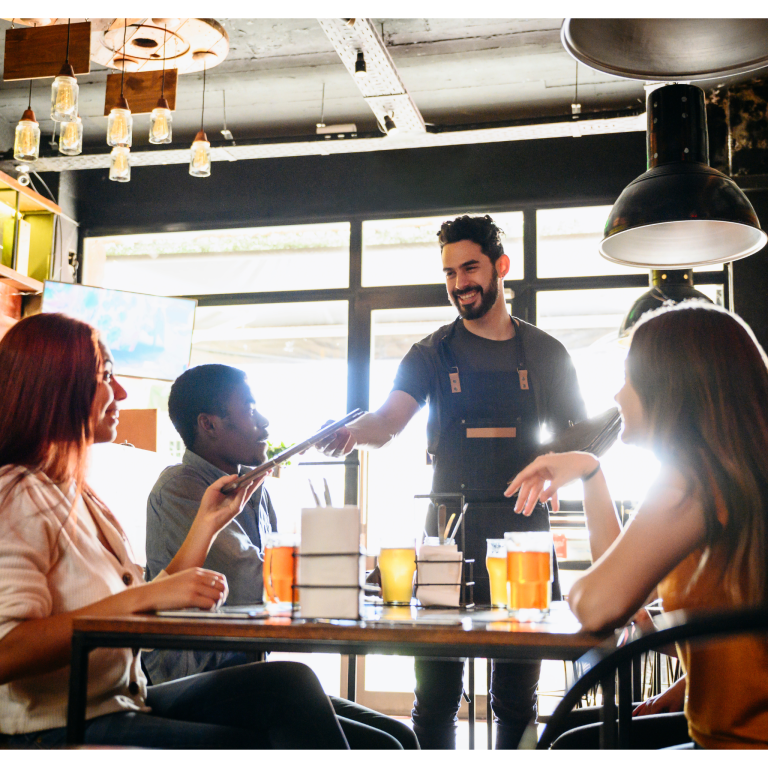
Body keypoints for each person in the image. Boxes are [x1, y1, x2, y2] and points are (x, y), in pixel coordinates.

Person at [0, 312, 348, 749]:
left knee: (292, 686)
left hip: (123, 703)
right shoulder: (15, 494)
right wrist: (146, 595)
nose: (122, 391)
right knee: (261, 735)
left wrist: (207, 524)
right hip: (53, 728)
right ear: (56, 386)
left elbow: (151, 599)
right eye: (106, 375)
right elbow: (5, 649)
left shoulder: (78, 495)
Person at [319, 214, 586, 749]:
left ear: (500, 267)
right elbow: (388, 421)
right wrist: (351, 433)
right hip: (445, 535)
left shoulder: (547, 353)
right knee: (436, 694)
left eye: (470, 267)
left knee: (517, 698)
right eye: (449, 272)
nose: (459, 282)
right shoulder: (430, 354)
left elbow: (581, 441)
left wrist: (567, 467)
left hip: (524, 538)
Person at [507, 301, 768, 749]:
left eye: (628, 379)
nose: (617, 395)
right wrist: (591, 473)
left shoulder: (694, 482)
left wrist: (584, 591)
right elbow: (631, 593)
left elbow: (597, 605)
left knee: (568, 743)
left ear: (671, 388)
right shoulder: (735, 476)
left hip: (735, 747)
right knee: (576, 736)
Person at [144, 363, 419, 750]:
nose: (266, 422)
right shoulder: (181, 488)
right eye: (251, 409)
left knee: (400, 734)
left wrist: (358, 583)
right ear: (209, 426)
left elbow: (279, 590)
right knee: (382, 746)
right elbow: (252, 583)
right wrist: (346, 578)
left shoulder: (255, 491)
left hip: (246, 672)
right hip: (190, 677)